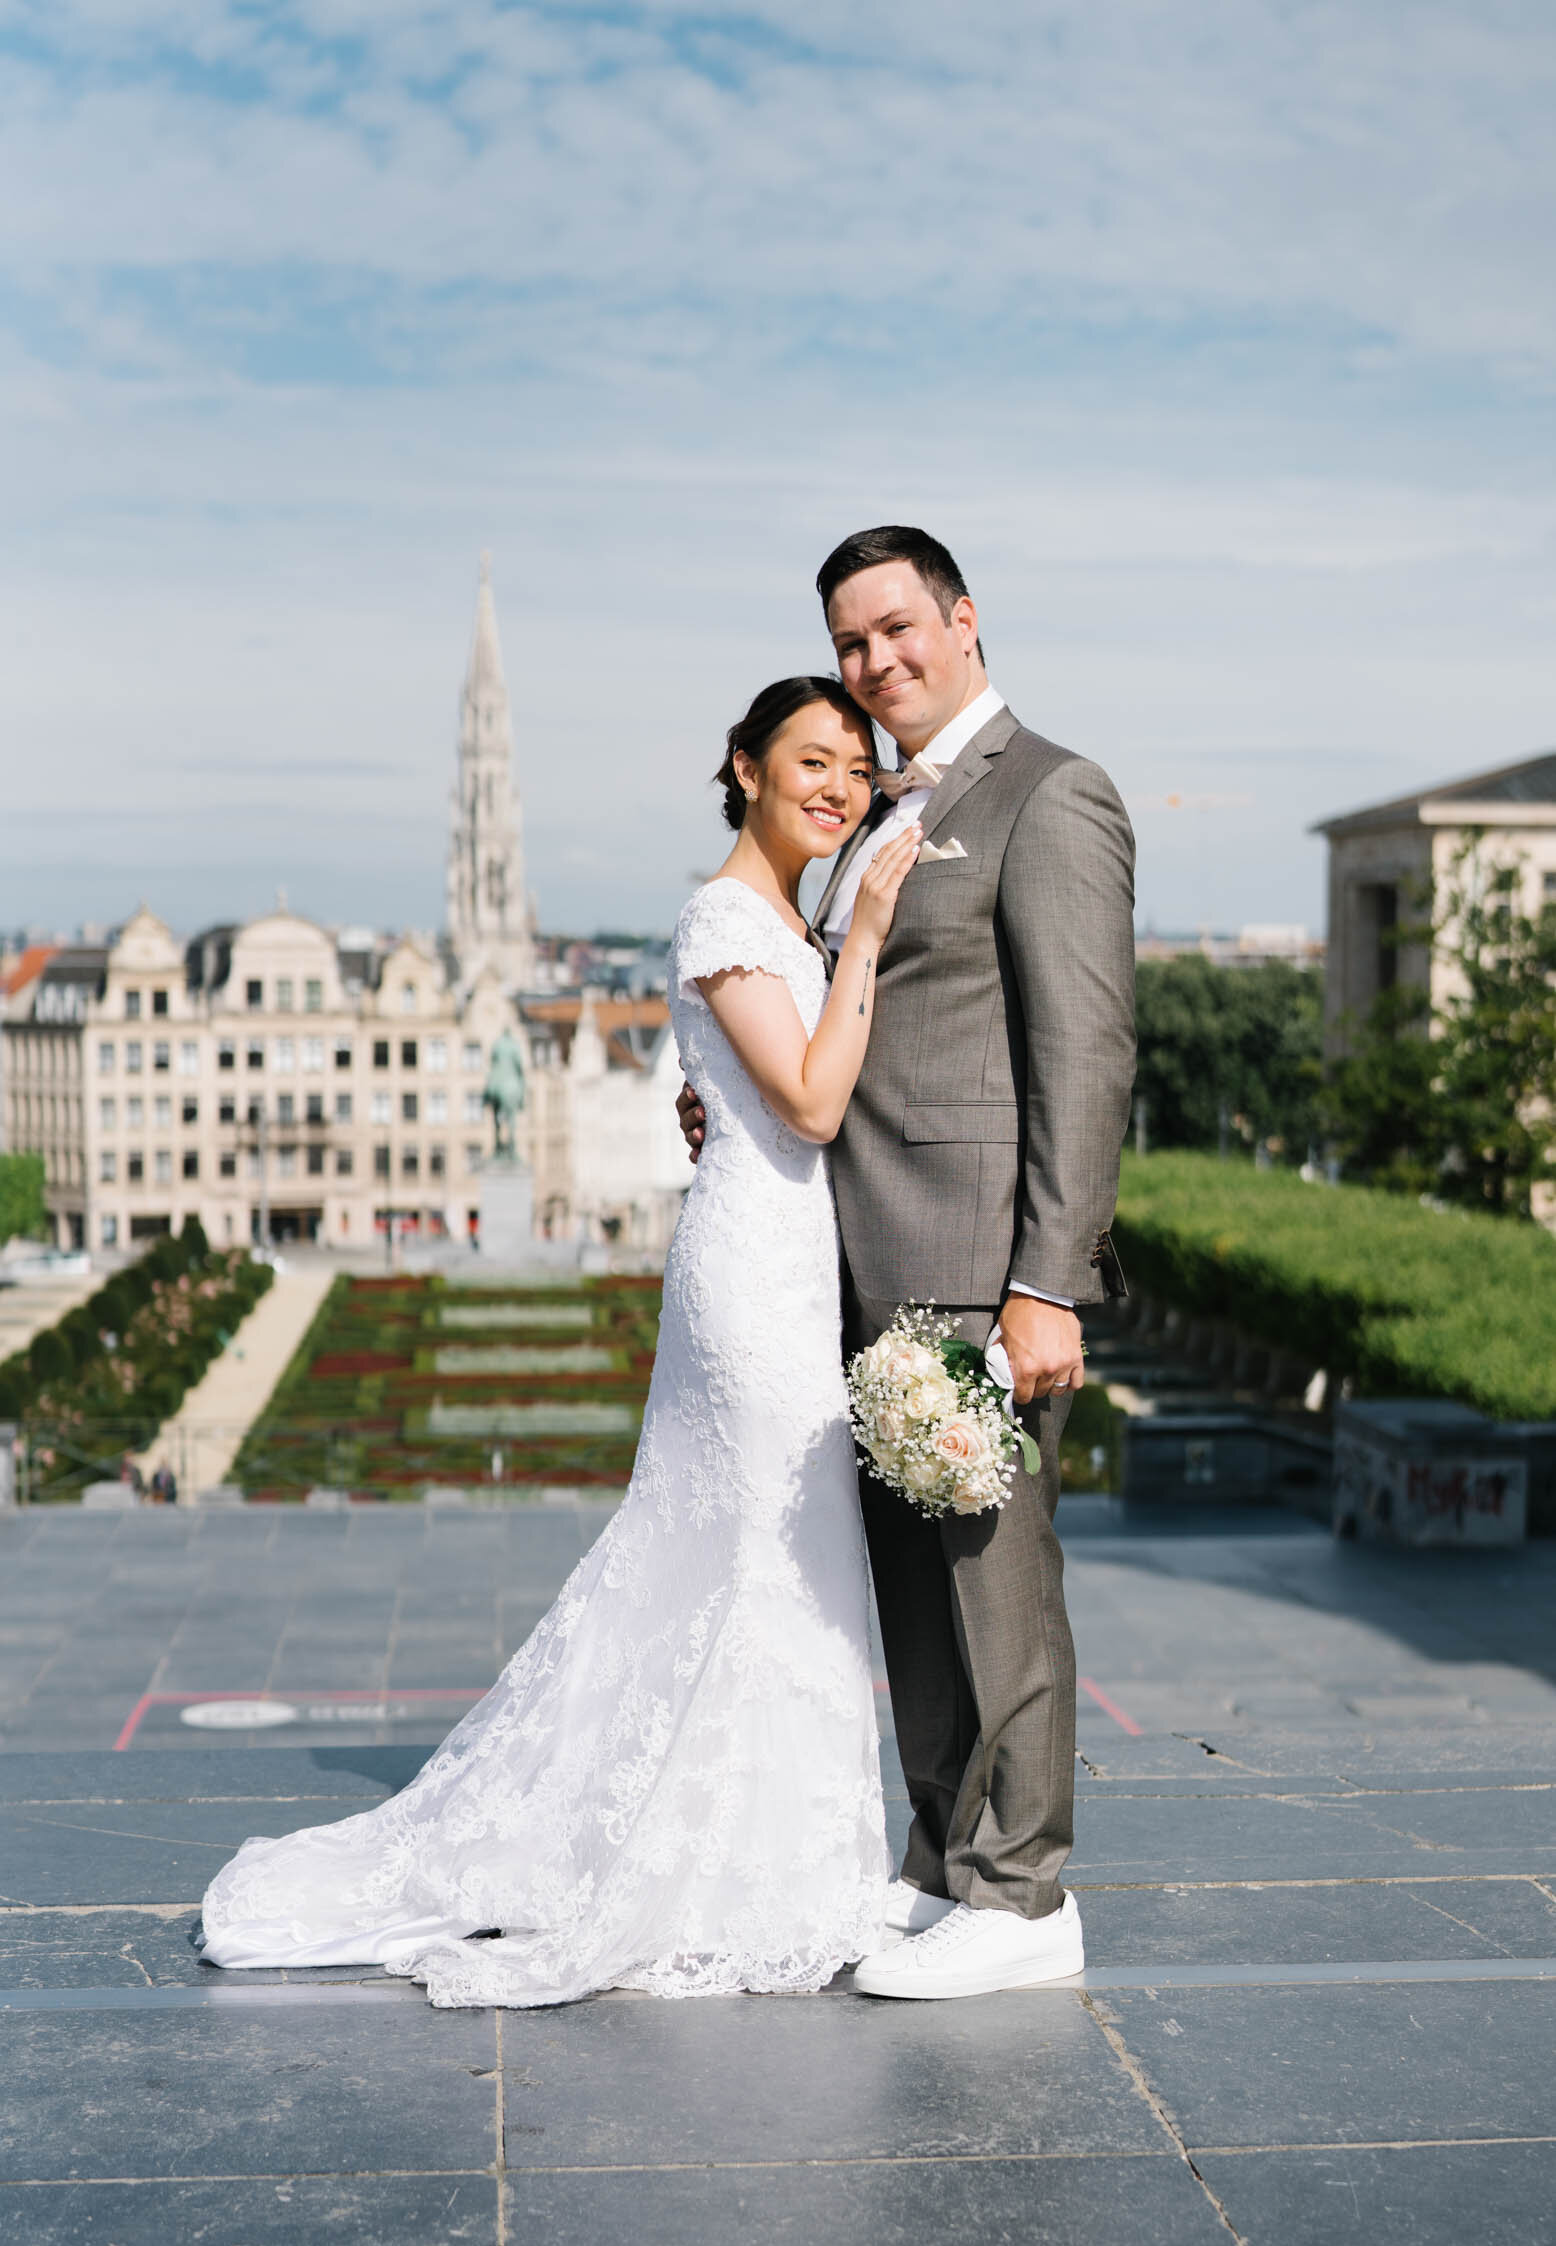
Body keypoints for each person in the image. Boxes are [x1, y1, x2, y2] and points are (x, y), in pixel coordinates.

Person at [199, 675, 920, 2009]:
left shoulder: (776, 913)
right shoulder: (728, 912)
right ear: (744, 767)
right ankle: (746, 1870)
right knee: (758, 1546)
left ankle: (783, 1860)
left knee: (766, 1551)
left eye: (857, 769)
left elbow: (771, 1087)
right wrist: (869, 928)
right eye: (811, 759)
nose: (838, 784)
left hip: (778, 1260)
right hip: (753, 1282)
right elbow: (816, 1099)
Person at [679, 527, 1135, 1998]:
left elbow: (1086, 1051)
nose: (877, 663)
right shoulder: (876, 812)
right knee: (911, 1590)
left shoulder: (1051, 794)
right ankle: (944, 1862)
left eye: (896, 629)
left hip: (974, 1255)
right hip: (850, 1260)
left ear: (963, 619)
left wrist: (1049, 1277)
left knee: (999, 1583)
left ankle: (1026, 1890)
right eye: (852, 642)